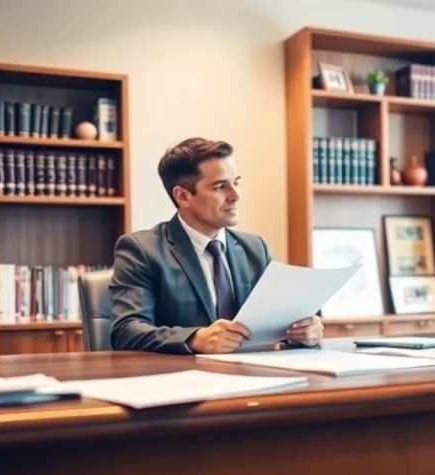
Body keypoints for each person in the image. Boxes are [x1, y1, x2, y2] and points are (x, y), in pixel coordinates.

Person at [109, 137, 324, 354]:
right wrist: (194, 338)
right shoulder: (141, 250)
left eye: (236, 183)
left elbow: (287, 313)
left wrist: (306, 330)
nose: (235, 195)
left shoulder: (255, 248)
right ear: (183, 196)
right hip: (182, 380)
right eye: (221, 186)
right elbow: (126, 331)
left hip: (253, 377)